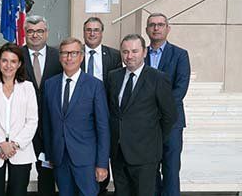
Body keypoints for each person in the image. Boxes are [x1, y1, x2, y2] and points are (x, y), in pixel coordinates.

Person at [105, 34, 177, 196]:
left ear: (144, 52)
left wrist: (153, 140)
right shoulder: (113, 76)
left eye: (134, 51)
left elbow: (170, 116)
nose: (129, 56)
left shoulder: (158, 78)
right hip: (118, 154)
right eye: (125, 52)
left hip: (146, 155)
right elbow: (112, 112)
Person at [42, 37, 110, 196]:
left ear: (82, 56)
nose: (69, 57)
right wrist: (50, 153)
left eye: (74, 53)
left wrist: (102, 163)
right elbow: (47, 123)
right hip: (59, 158)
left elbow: (103, 127)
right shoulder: (50, 84)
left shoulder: (94, 85)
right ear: (59, 57)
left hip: (86, 159)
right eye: (65, 53)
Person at [0, 43, 38, 196]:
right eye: (4, 60)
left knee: (18, 192)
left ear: (19, 64)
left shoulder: (28, 87)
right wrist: (2, 143)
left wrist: (14, 144)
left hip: (21, 150)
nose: (8, 65)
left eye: (13, 61)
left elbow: (32, 121)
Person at [144, 13, 191, 196]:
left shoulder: (180, 55)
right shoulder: (141, 54)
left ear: (167, 29)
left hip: (172, 122)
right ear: (147, 29)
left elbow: (180, 89)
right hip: (147, 124)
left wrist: (159, 110)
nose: (156, 28)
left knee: (171, 170)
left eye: (160, 25)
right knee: (150, 170)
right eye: (152, 25)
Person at [80, 17, 122, 195]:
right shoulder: (75, 53)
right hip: (81, 114)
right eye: (88, 29)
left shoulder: (114, 55)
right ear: (84, 32)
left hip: (106, 113)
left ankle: (102, 185)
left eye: (96, 30)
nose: (92, 33)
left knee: (105, 149)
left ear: (102, 33)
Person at [21, 15, 62, 196]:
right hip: (21, 126)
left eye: (40, 31)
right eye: (30, 31)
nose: (35, 35)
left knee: (47, 176)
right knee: (20, 176)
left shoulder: (59, 56)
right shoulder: (16, 55)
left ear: (46, 33)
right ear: (25, 33)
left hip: (50, 126)